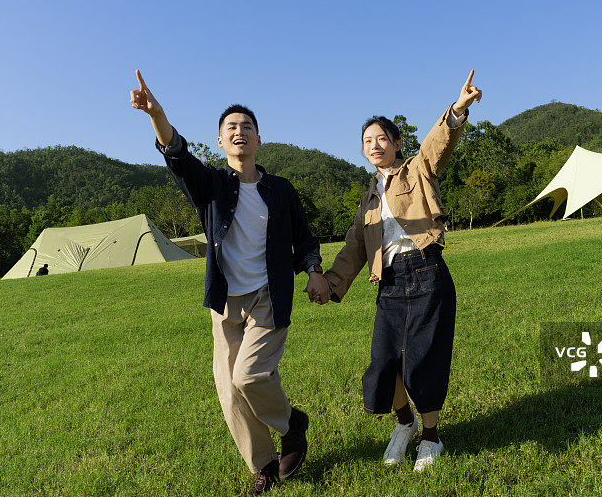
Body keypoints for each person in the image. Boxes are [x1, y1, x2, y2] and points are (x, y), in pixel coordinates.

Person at [130, 70, 329, 496]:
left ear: (258, 139)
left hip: (268, 295)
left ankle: (293, 424)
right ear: (220, 142)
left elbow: (304, 238)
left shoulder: (280, 190)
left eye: (247, 127)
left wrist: (313, 269)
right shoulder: (214, 186)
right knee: (229, 391)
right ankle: (264, 463)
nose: (240, 132)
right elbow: (178, 155)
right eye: (231, 128)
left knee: (250, 377)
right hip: (225, 302)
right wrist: (157, 114)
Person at [310, 70, 482, 472]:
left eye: (381, 139)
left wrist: (456, 110)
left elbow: (439, 145)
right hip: (389, 283)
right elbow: (354, 248)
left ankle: (432, 437)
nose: (375, 145)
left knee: (423, 360)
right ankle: (404, 425)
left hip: (426, 272)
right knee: (385, 363)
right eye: (367, 141)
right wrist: (330, 285)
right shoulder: (368, 200)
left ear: (396, 143)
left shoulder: (417, 170)